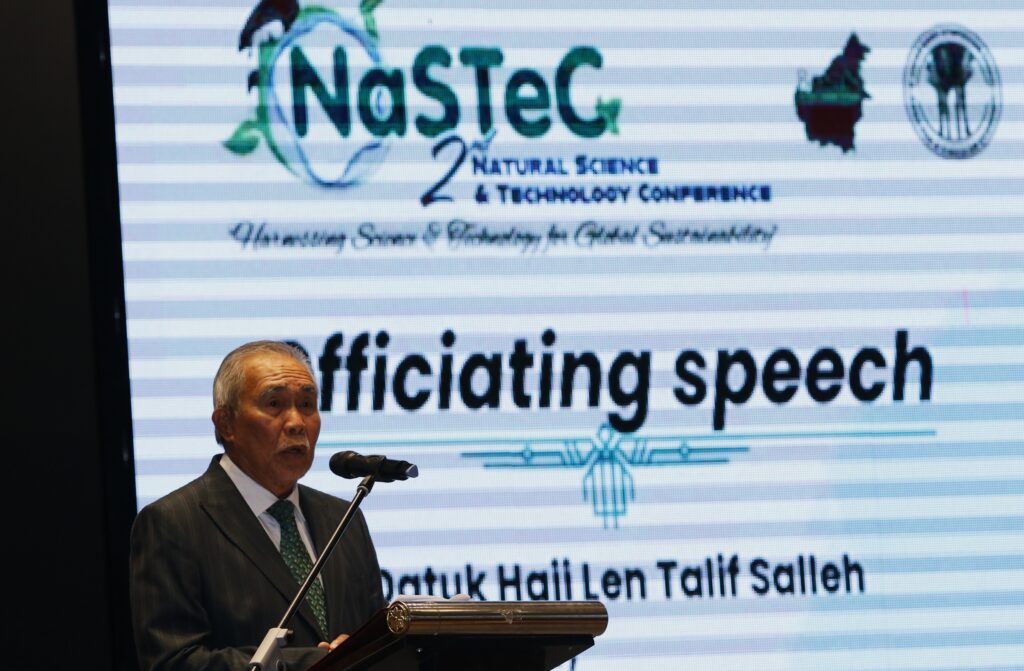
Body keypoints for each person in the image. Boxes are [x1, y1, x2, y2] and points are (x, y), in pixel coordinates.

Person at [130, 341, 386, 671]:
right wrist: (316, 663)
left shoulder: (344, 517)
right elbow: (174, 662)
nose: (296, 422)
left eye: (307, 404)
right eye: (275, 404)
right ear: (226, 424)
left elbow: (376, 638)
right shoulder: (173, 523)